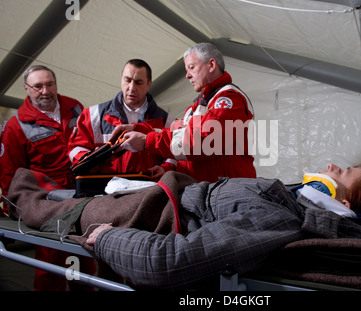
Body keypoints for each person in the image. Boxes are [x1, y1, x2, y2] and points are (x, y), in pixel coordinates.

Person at [83, 163, 361, 289]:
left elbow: (166, 262)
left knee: (53, 203)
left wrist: (109, 239)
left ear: (341, 204)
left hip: (150, 207)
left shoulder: (281, 217)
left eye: (343, 170)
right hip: (167, 191)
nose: (332, 165)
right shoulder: (293, 204)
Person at [0, 65, 95, 291]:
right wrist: (14, 207)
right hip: (47, 205)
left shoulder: (75, 108)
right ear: (26, 88)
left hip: (82, 198)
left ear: (56, 83)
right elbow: (8, 173)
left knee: (84, 260)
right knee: (51, 263)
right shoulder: (16, 125)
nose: (45, 91)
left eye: (49, 84)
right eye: (38, 86)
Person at [109, 43, 256, 182]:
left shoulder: (229, 99)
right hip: (205, 191)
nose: (187, 75)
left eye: (191, 67)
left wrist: (147, 141)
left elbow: (203, 142)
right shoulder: (199, 105)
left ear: (211, 65)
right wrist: (138, 128)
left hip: (225, 193)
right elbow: (176, 133)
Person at [68, 59, 175, 178]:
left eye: (138, 82)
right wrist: (92, 161)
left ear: (148, 84)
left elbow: (175, 154)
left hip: (148, 187)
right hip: (102, 189)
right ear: (121, 79)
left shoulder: (167, 121)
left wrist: (166, 168)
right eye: (127, 80)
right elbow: (75, 149)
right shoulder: (92, 115)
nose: (131, 87)